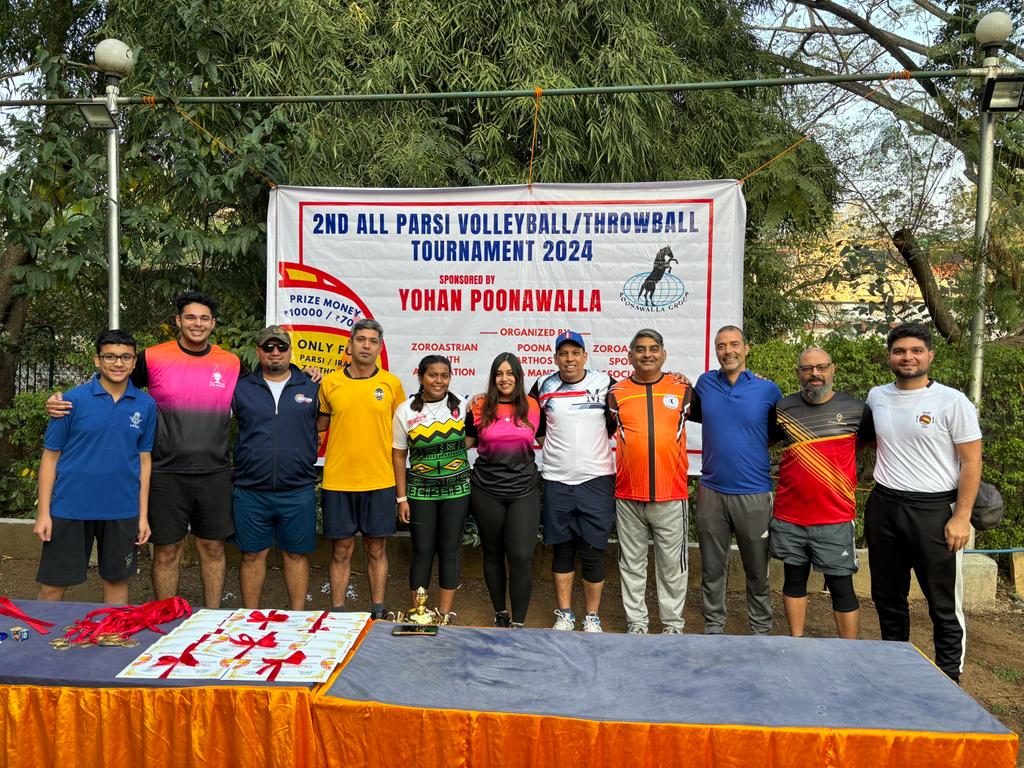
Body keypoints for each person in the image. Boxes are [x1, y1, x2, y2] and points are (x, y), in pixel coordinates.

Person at [46, 291, 239, 608]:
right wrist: (61, 402)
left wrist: (306, 377)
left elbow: (264, 387)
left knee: (213, 548)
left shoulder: (230, 362)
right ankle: (166, 616)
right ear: (178, 320)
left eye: (204, 318)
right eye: (190, 317)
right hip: (164, 471)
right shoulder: (152, 357)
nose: (197, 323)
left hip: (215, 471)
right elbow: (111, 382)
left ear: (213, 323)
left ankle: (212, 617)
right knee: (166, 550)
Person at [860, 323, 981, 683]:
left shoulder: (951, 401)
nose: (907, 357)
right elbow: (860, 442)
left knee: (943, 604)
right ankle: (895, 670)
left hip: (934, 511)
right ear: (889, 357)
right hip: (884, 507)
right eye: (899, 351)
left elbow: (972, 462)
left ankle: (949, 680)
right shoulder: (876, 396)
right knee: (887, 597)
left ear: (930, 355)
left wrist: (961, 517)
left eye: (915, 350)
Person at [34, 330, 157, 604]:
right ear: (97, 361)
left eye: (125, 357)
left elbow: (144, 461)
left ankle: (112, 643)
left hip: (121, 509)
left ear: (134, 362)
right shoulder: (69, 402)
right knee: (53, 586)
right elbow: (50, 458)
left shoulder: (146, 405)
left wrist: (142, 515)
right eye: (110, 356)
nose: (118, 363)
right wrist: (44, 513)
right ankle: (37, 645)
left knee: (117, 583)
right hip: (70, 508)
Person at [690, 325, 781, 635]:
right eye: (721, 345)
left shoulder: (767, 389)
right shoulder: (704, 384)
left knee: (757, 569)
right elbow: (698, 415)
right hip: (711, 490)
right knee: (712, 569)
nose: (728, 351)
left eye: (734, 344)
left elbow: (774, 433)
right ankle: (714, 627)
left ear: (746, 348)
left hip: (754, 492)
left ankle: (761, 629)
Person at [771, 346, 862, 639]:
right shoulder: (782, 408)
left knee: (841, 587)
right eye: (808, 369)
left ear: (833, 369)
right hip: (790, 515)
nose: (815, 374)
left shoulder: (856, 409)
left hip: (835, 515)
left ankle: (849, 650)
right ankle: (796, 641)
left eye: (821, 367)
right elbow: (766, 442)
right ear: (798, 373)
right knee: (793, 580)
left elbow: (871, 445)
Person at [317, 318, 405, 618]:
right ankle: (339, 611)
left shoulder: (391, 384)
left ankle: (378, 609)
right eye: (361, 340)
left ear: (380, 348)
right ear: (349, 345)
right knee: (341, 551)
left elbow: (402, 433)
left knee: (376, 549)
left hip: (379, 480)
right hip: (338, 481)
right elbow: (318, 426)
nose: (366, 345)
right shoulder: (330, 383)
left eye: (373, 341)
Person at [530, 331, 616, 633]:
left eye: (575, 353)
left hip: (596, 479)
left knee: (593, 550)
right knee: (562, 549)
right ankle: (565, 614)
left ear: (584, 356)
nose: (569, 359)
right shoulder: (543, 386)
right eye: (563, 354)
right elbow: (525, 419)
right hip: (556, 480)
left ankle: (592, 616)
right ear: (555, 358)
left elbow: (623, 415)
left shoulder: (605, 384)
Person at [608, 329, 691, 635]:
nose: (647, 354)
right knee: (632, 565)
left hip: (671, 495)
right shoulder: (615, 393)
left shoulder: (682, 390)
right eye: (640, 349)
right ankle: (637, 623)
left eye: (653, 348)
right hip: (629, 495)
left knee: (672, 567)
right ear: (629, 356)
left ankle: (672, 625)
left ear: (663, 354)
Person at [231, 326, 320, 610]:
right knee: (252, 555)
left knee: (295, 555)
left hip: (297, 489)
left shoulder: (311, 385)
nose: (275, 353)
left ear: (290, 350)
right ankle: (250, 617)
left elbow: (325, 423)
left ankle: (297, 619)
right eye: (268, 347)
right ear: (258, 352)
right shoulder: (241, 387)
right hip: (250, 489)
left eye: (280, 347)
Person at [465, 353, 543, 628]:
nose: (504, 378)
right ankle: (500, 613)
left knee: (521, 556)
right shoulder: (479, 406)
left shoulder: (533, 406)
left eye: (510, 373)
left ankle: (519, 622)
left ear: (518, 376)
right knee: (493, 553)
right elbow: (466, 442)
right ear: (493, 377)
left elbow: (547, 439)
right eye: (499, 373)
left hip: (524, 490)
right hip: (486, 490)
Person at [392, 355, 471, 624]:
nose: (439, 380)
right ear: (421, 377)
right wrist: (401, 498)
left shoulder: (463, 405)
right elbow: (399, 456)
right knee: (423, 551)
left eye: (444, 375)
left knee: (450, 551)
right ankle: (419, 615)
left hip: (457, 491)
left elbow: (473, 439)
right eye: (433, 375)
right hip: (419, 493)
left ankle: (445, 615)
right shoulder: (405, 411)